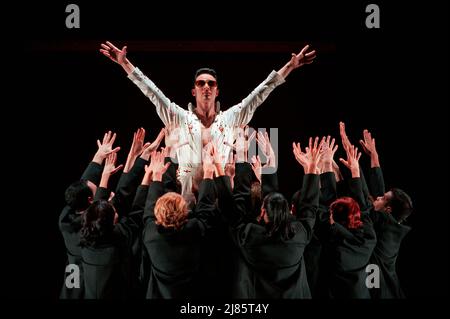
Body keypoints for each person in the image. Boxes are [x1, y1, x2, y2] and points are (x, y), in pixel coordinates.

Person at [100, 41, 316, 202]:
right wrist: (125, 63)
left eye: (211, 83)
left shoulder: (231, 118)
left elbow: (261, 92)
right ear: (193, 90)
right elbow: (151, 91)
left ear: (217, 90)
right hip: (185, 200)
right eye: (201, 83)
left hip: (220, 199)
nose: (206, 87)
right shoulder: (178, 117)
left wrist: (290, 66)